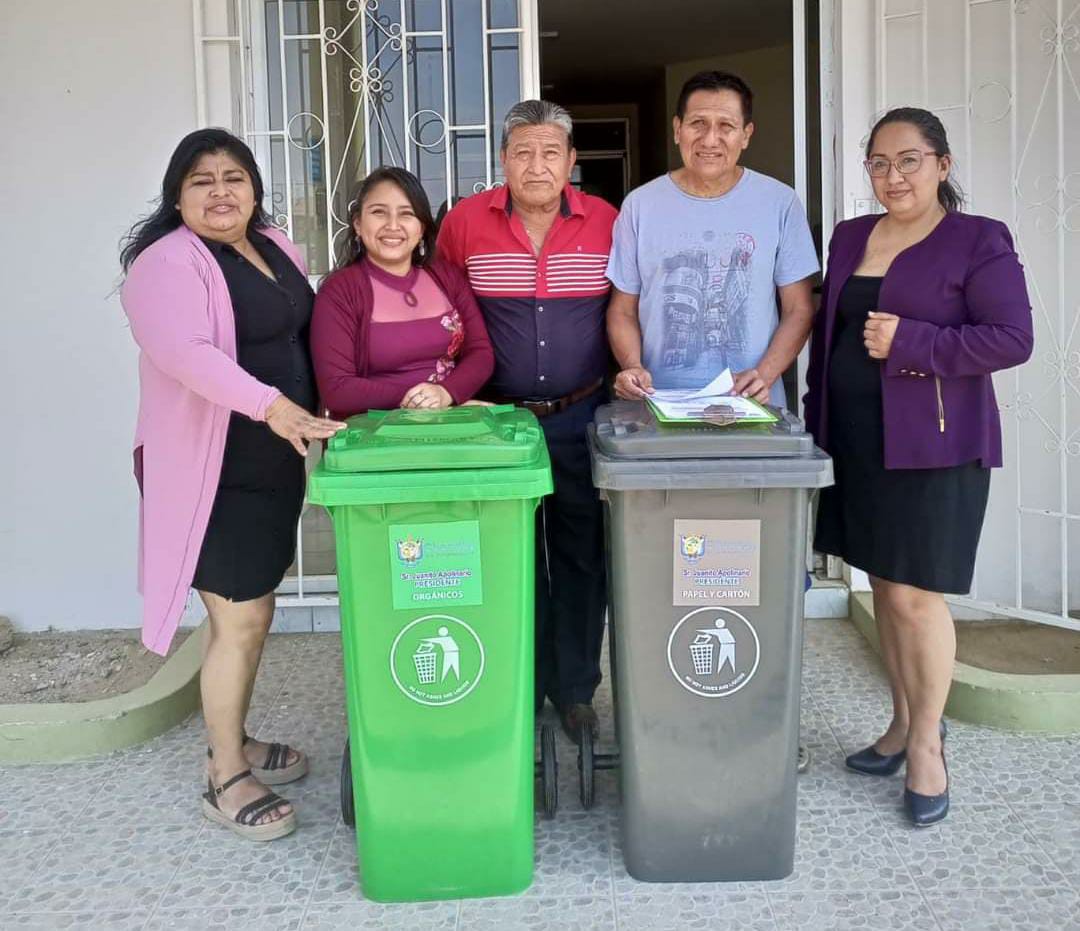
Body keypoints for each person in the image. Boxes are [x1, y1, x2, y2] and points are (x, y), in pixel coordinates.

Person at [803, 107, 1033, 826]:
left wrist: (913, 341)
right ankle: (903, 723)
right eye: (879, 162)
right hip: (858, 442)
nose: (893, 176)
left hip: (935, 445)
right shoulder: (850, 236)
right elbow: (829, 333)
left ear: (942, 164)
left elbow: (1012, 338)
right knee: (883, 587)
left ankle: (929, 745)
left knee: (915, 596)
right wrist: (815, 424)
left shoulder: (978, 239)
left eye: (909, 160)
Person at [120, 129, 346, 841]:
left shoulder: (275, 246)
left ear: (254, 188)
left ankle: (235, 737)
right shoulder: (164, 264)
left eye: (234, 177)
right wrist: (275, 406)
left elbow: (302, 334)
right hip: (209, 470)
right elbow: (187, 354)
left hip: (270, 463)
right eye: (201, 180)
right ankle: (224, 775)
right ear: (177, 195)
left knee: (255, 609)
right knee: (238, 619)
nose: (220, 192)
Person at [437, 100, 618, 742]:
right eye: (522, 153)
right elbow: (441, 315)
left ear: (571, 161)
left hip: (580, 416)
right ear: (503, 161)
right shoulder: (463, 223)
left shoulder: (608, 222)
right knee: (504, 558)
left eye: (550, 153)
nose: (536, 166)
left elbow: (629, 310)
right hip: (493, 425)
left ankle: (575, 692)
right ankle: (513, 681)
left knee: (580, 559)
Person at [606, 70, 819, 408]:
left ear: (746, 135)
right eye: (698, 124)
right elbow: (622, 310)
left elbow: (799, 309)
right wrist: (632, 366)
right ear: (677, 129)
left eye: (726, 126)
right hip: (661, 403)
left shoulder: (780, 203)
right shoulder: (640, 205)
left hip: (752, 404)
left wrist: (764, 374)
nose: (709, 140)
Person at [310, 167, 494, 417]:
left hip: (450, 425)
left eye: (406, 214)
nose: (393, 225)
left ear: (421, 228)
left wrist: (447, 393)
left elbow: (480, 352)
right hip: (376, 433)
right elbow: (338, 389)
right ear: (358, 224)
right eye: (379, 212)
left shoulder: (447, 278)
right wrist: (427, 401)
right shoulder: (339, 292)